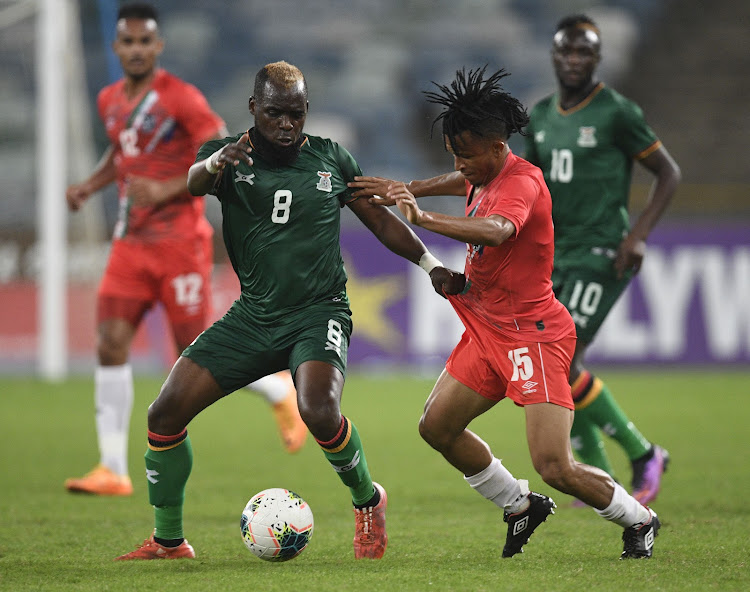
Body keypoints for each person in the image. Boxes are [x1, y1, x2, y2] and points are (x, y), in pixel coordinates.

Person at [115, 60, 448, 561]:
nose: (287, 124)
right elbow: (193, 182)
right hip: (253, 318)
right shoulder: (226, 157)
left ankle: (367, 499)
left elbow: (379, 222)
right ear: (254, 108)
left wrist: (430, 265)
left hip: (320, 313)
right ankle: (169, 542)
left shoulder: (332, 158)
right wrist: (213, 164)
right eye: (275, 113)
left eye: (296, 113)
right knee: (163, 414)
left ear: (307, 111)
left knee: (317, 409)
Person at [350, 66, 661, 559]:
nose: (462, 164)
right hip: (487, 329)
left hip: (533, 338)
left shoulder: (523, 184)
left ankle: (639, 518)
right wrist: (408, 186)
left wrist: (422, 216)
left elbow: (497, 230)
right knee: (436, 427)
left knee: (555, 466)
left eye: (468, 155)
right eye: (456, 154)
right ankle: (518, 505)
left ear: (499, 149)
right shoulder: (482, 172)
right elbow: (465, 182)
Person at [64, 3, 305, 498]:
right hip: (130, 244)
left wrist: (169, 187)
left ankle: (278, 389)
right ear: (117, 48)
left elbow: (220, 149)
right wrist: (90, 186)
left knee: (192, 356)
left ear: (157, 47)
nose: (134, 50)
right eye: (126, 42)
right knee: (110, 342)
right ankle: (112, 467)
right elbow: (123, 149)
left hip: (179, 243)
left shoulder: (181, 99)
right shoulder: (110, 97)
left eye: (143, 42)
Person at [523, 14, 681, 504]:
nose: (574, 60)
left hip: (602, 254)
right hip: (554, 256)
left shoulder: (616, 111)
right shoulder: (542, 115)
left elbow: (668, 172)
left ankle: (640, 453)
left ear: (597, 58)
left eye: (584, 52)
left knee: (562, 359)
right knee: (553, 363)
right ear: (553, 56)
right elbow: (529, 186)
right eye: (566, 51)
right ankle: (596, 466)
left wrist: (637, 235)